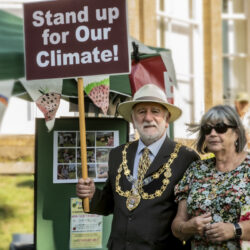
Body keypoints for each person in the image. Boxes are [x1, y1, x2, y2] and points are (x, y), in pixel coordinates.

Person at [76, 84, 200, 250]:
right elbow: (110, 203)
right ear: (133, 120)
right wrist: (92, 195)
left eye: (155, 111)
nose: (148, 118)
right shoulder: (117, 155)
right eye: (141, 112)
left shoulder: (186, 158)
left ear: (166, 119)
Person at [171, 105, 250, 249]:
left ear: (237, 133)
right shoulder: (195, 170)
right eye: (207, 129)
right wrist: (188, 227)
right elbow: (177, 226)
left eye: (220, 128)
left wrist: (235, 229)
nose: (212, 133)